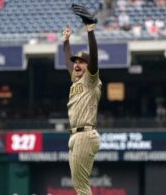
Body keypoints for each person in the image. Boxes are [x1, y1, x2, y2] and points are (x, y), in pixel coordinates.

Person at [62, 17, 102, 195]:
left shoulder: (91, 79)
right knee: (79, 185)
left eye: (81, 62)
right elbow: (68, 64)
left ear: (88, 66)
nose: (77, 64)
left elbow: (93, 56)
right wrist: (66, 42)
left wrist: (90, 31)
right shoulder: (76, 79)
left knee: (81, 186)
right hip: (76, 135)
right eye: (76, 62)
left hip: (85, 134)